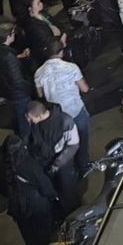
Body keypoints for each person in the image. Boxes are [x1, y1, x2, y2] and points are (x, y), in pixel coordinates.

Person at [35, 44, 91, 172]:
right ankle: (83, 164)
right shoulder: (71, 68)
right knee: (82, 138)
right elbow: (85, 88)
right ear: (61, 52)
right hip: (75, 110)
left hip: (56, 115)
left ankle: (67, 167)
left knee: (63, 144)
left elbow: (40, 95)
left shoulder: (38, 72)